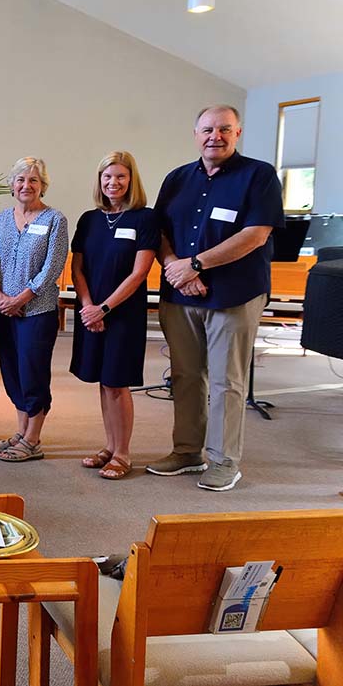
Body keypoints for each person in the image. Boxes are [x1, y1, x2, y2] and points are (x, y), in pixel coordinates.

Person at [146, 105, 283, 491]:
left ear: (237, 133)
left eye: (224, 129)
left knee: (227, 381)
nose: (215, 136)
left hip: (234, 294)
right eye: (207, 129)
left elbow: (256, 234)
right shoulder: (177, 179)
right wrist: (176, 266)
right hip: (180, 293)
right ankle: (187, 452)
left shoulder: (259, 175)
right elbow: (158, 232)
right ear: (195, 133)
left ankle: (224, 460)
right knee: (186, 377)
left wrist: (197, 265)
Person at [69, 151, 158, 480]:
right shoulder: (89, 219)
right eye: (107, 177)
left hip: (123, 313)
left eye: (120, 176)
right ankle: (109, 446)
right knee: (103, 383)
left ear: (131, 180)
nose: (113, 182)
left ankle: (123, 453)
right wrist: (89, 306)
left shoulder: (144, 218)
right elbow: (77, 268)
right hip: (92, 311)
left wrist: (105, 308)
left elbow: (139, 273)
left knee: (117, 383)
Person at [0, 157, 69, 462]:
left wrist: (20, 299)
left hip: (37, 310)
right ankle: (21, 433)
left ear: (43, 186)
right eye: (21, 180)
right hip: (3, 309)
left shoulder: (54, 220)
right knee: (12, 370)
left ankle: (33, 439)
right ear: (12, 185)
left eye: (33, 180)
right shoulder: (2, 220)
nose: (26, 185)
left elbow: (53, 267)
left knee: (33, 371)